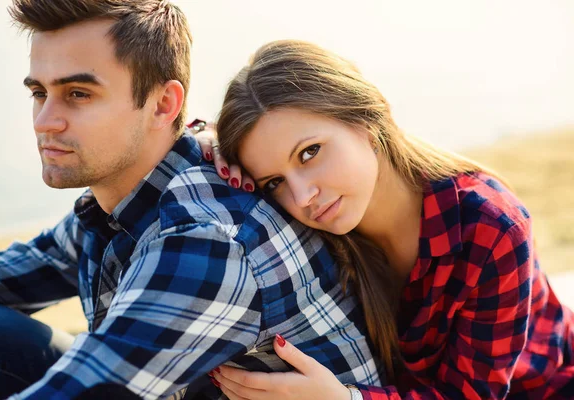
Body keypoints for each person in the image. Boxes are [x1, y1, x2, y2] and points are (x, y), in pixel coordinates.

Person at [0, 3, 382, 399]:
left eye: (78, 94)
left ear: (163, 104)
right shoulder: (115, 207)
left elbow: (87, 386)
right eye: (39, 92)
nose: (45, 121)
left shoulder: (207, 239)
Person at [196, 40, 574, 399]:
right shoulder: (318, 225)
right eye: (274, 181)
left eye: (310, 153)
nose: (301, 196)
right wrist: (202, 140)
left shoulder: (491, 227)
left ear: (364, 121)